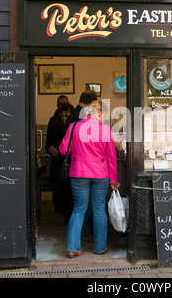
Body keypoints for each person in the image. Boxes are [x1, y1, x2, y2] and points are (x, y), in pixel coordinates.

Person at [59, 100, 120, 258]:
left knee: (79, 209)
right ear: (99, 114)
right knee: (99, 209)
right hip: (100, 174)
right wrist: (114, 180)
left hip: (78, 172)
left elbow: (63, 149)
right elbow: (112, 157)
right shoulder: (105, 130)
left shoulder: (73, 127)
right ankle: (100, 247)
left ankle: (73, 247)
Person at [66, 90, 98, 241]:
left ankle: (74, 243)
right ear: (90, 103)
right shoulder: (83, 116)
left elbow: (64, 147)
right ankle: (89, 234)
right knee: (91, 207)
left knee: (78, 207)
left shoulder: (73, 114)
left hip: (76, 168)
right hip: (92, 169)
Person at [45, 103, 74, 217]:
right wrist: (50, 148)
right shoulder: (55, 127)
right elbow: (48, 144)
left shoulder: (74, 128)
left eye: (66, 116)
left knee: (69, 191)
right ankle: (61, 209)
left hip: (69, 163)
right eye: (62, 116)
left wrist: (60, 152)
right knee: (60, 189)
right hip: (58, 164)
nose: (64, 118)